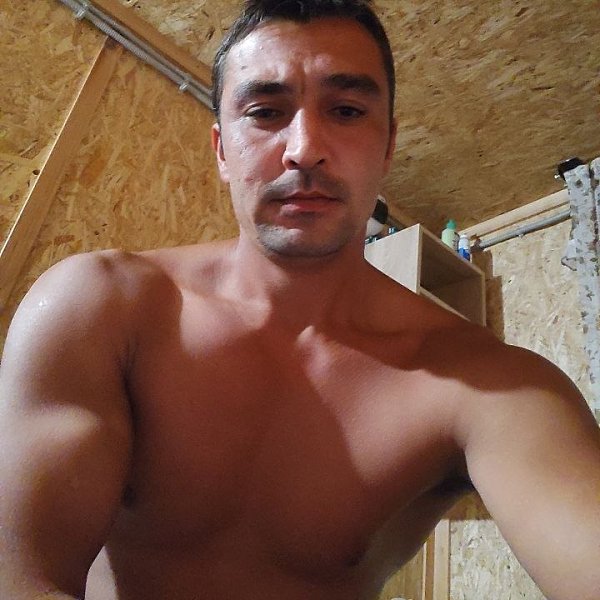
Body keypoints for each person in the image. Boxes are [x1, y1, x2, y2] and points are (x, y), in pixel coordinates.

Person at [1, 0, 599, 598]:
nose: (305, 148)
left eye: (346, 110)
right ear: (221, 150)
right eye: (265, 112)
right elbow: (20, 578)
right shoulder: (100, 310)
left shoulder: (488, 387)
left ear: (388, 146)